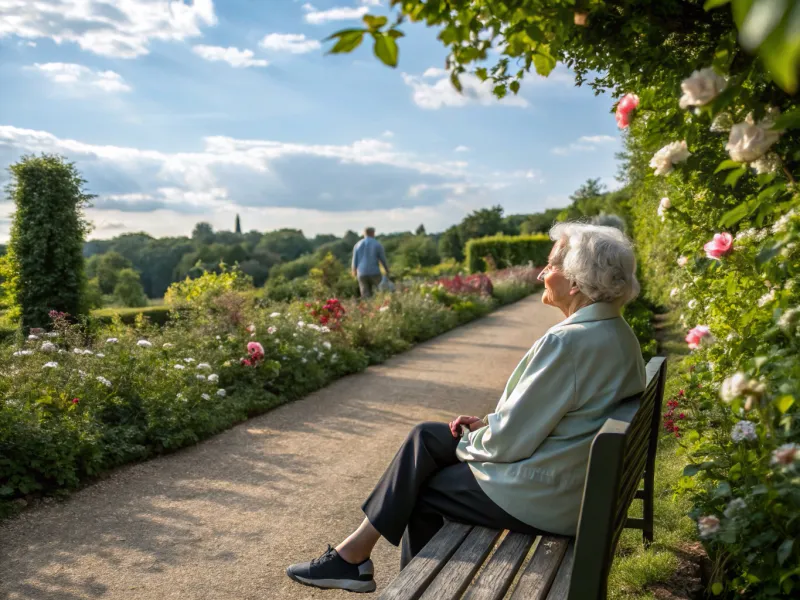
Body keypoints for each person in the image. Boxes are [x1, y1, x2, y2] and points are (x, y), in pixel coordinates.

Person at [286, 222, 647, 593]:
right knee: (426, 437)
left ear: (574, 282)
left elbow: (508, 442)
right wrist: (485, 426)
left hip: (548, 497)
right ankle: (353, 556)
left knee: (422, 491)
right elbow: (562, 414)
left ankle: (401, 583)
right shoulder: (617, 334)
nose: (541, 273)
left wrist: (469, 444)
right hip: (575, 484)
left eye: (551, 266)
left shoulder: (568, 343)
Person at [351, 227, 389, 298]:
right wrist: (387, 269)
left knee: (365, 294)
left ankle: (367, 307)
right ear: (373, 233)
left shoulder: (357, 245)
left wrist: (354, 271)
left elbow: (354, 259)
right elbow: (382, 259)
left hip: (361, 273)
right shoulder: (377, 244)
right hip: (374, 272)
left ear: (364, 233)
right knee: (380, 292)